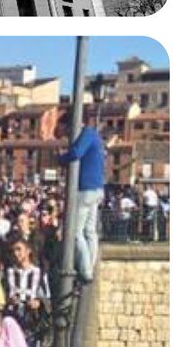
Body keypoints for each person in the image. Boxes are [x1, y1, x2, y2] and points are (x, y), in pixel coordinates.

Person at [59, 119, 105, 282]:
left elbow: (76, 152)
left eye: (65, 130)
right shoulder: (95, 136)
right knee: (90, 231)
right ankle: (90, 267)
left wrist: (61, 158)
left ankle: (85, 271)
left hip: (85, 188)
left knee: (76, 231)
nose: (65, 134)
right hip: (97, 188)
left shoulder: (86, 134)